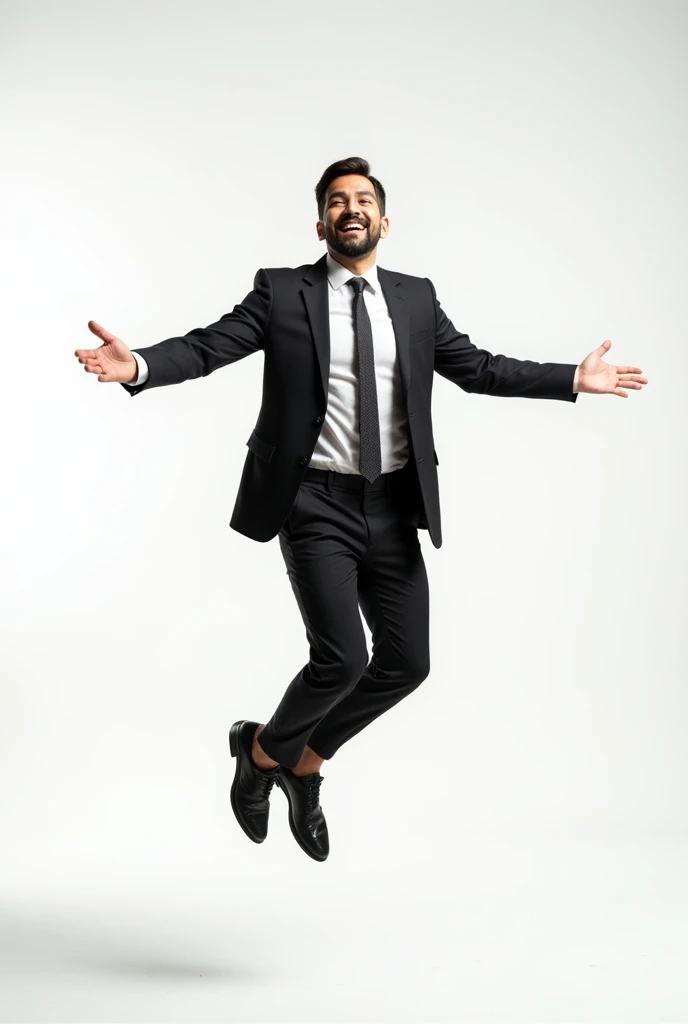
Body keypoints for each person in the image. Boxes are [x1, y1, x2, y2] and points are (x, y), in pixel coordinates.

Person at [75, 156, 648, 863]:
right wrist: (139, 366)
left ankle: (293, 763)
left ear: (383, 220)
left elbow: (478, 368)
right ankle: (261, 754)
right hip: (313, 501)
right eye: (339, 201)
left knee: (407, 664)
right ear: (321, 223)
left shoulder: (414, 298)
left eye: (364, 199)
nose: (352, 208)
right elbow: (208, 346)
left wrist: (572, 378)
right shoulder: (282, 293)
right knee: (341, 658)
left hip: (392, 503)